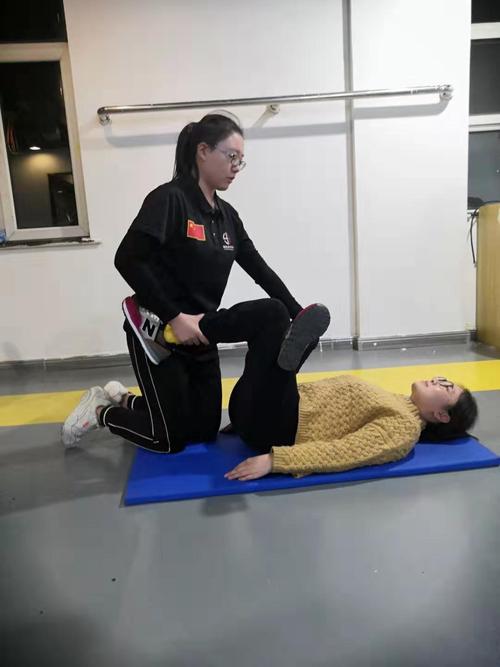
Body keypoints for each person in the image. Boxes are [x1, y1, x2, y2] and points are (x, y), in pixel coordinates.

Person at [61, 113, 330, 450]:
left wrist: (298, 314)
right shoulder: (169, 199)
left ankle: (127, 400)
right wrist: (174, 316)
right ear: (203, 151)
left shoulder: (227, 216)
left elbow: (259, 269)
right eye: (231, 157)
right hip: (158, 331)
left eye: (241, 160)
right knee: (169, 439)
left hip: (201, 334)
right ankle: (101, 410)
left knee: (203, 430)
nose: (236, 167)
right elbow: (127, 259)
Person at [223, 370, 479, 482]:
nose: (437, 380)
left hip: (278, 424)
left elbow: (344, 452)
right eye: (443, 379)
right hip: (270, 411)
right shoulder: (397, 402)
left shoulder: (405, 427)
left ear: (442, 415)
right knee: (271, 321)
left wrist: (274, 461)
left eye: (446, 387)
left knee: (273, 317)